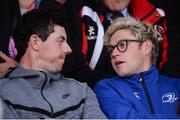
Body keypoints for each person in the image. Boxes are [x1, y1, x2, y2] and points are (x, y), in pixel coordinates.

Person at [0, 10, 106, 119]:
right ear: (35, 42)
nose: (68, 49)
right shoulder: (4, 93)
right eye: (60, 41)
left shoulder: (82, 91)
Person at [94, 17, 180, 119]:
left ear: (146, 47)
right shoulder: (106, 87)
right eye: (111, 49)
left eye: (122, 45)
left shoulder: (177, 85)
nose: (114, 54)